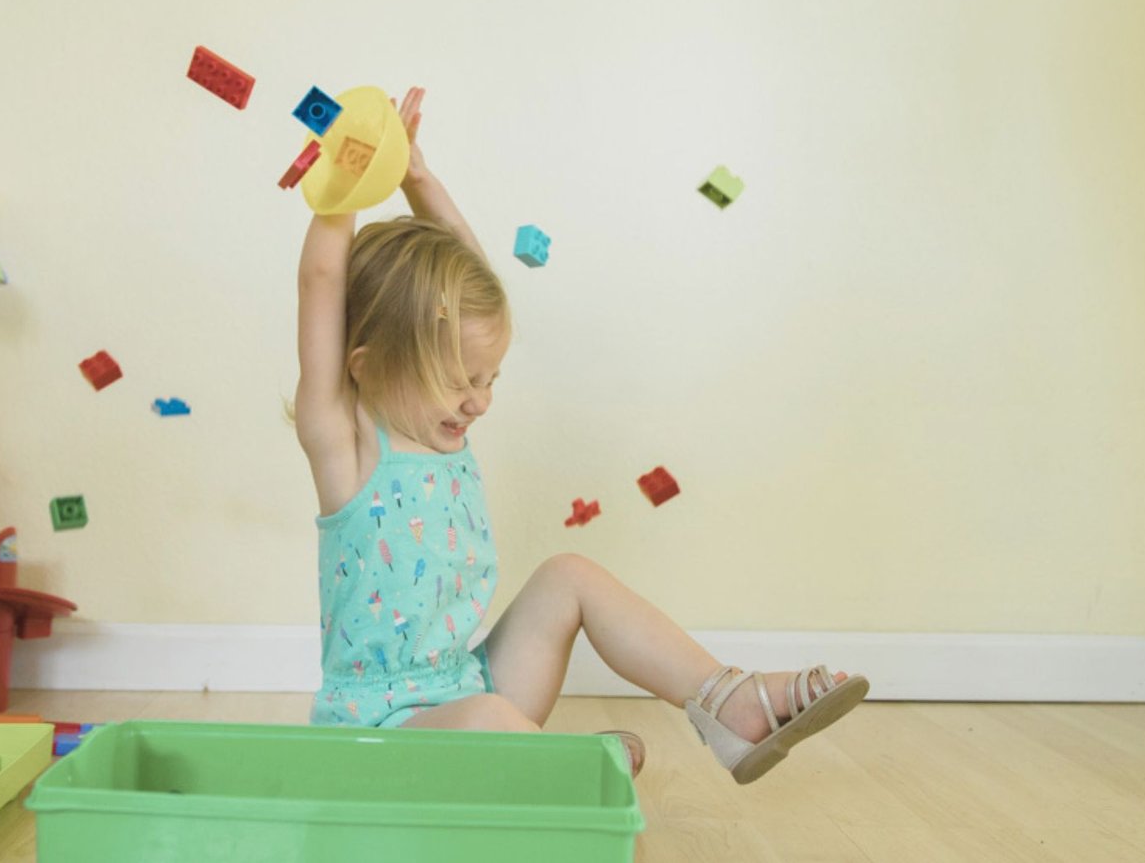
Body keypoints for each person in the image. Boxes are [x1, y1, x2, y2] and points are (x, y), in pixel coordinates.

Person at [293, 87, 868, 783]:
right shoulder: (345, 446)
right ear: (368, 365)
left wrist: (417, 175)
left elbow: (471, 274)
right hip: (376, 739)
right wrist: (351, 177)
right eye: (459, 381)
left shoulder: (441, 422)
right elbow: (323, 278)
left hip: (467, 685)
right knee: (487, 723)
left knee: (568, 576)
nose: (479, 402)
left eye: (490, 379)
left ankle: (730, 701)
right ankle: (559, 771)